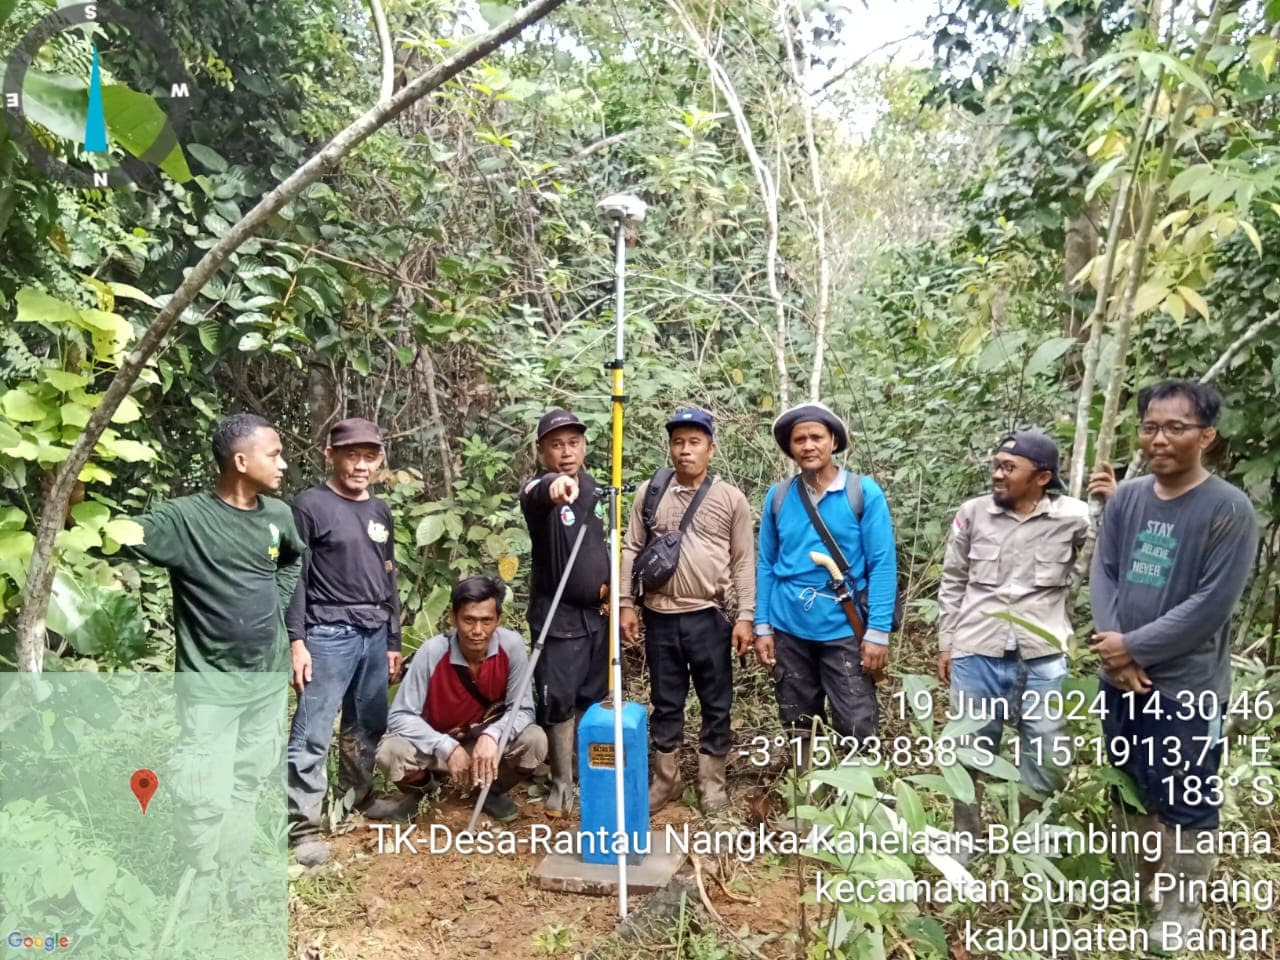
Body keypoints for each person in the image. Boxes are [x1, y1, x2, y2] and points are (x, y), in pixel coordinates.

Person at [1090, 380, 1257, 952]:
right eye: (1150, 427)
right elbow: (1105, 572)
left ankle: (1181, 909)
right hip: (1120, 681)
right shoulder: (1129, 498)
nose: (1159, 439)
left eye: (1176, 428)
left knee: (1186, 796)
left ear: (1206, 435)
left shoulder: (1228, 510)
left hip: (1185, 689)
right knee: (1129, 787)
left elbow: (1212, 604)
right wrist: (1116, 653)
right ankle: (1136, 887)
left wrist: (1134, 649)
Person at [131, 413, 305, 913]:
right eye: (274, 454)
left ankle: (236, 868)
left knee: (249, 778)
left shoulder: (279, 515)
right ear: (240, 460)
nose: (284, 464)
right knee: (201, 789)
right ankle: (201, 876)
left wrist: (279, 604)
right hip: (209, 683)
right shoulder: (184, 520)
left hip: (266, 679)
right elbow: (115, 533)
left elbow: (293, 557)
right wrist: (75, 491)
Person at [937, 431, 1089, 858]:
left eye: (1009, 468)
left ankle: (1033, 839)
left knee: (1045, 752)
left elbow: (1100, 563)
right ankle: (966, 838)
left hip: (1042, 658)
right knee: (968, 748)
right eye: (997, 465)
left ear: (1042, 477)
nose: (998, 475)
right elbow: (953, 580)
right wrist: (947, 643)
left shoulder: (1075, 518)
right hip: (977, 651)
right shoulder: (973, 514)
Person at [619, 408, 755, 812]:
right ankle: (666, 780)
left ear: (710, 449)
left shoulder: (731, 499)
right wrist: (627, 603)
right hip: (659, 616)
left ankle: (712, 783)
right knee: (666, 700)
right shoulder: (651, 491)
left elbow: (744, 560)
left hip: (708, 617)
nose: (685, 450)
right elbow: (631, 547)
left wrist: (746, 615)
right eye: (678, 442)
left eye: (694, 442)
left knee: (716, 700)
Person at [285, 418, 404, 867]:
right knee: (313, 730)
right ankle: (303, 828)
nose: (360, 465)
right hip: (328, 631)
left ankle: (357, 796)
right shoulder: (309, 505)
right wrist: (297, 640)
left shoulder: (379, 510)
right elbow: (295, 576)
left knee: (367, 723)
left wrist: (393, 638)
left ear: (378, 459)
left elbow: (387, 576)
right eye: (350, 455)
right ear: (329, 454)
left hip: (375, 631)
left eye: (369, 456)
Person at [754, 402, 898, 749]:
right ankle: (805, 790)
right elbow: (766, 564)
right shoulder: (779, 496)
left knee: (856, 719)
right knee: (797, 720)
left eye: (816, 437)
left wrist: (877, 632)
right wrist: (762, 626)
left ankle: (856, 796)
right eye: (799, 439)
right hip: (789, 628)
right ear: (790, 448)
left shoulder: (863, 493)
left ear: (833, 441)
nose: (808, 445)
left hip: (844, 628)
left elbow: (882, 563)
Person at [374, 576, 547, 823]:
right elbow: (400, 716)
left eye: (486, 621)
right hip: (437, 747)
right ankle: (424, 790)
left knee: (535, 740)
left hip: (484, 745)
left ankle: (487, 791)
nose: (477, 631)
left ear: (499, 620)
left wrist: (493, 735)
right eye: (468, 620)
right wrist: (446, 746)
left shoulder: (512, 646)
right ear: (453, 619)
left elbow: (523, 709)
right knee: (390, 752)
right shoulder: (432, 652)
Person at [519, 409, 610, 818]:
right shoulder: (538, 491)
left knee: (591, 697)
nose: (566, 452)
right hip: (557, 620)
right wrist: (556, 486)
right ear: (543, 451)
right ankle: (560, 781)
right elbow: (542, 491)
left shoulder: (597, 489)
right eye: (556, 445)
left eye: (573, 443)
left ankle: (584, 771)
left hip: (598, 617)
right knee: (558, 700)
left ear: (584, 446)